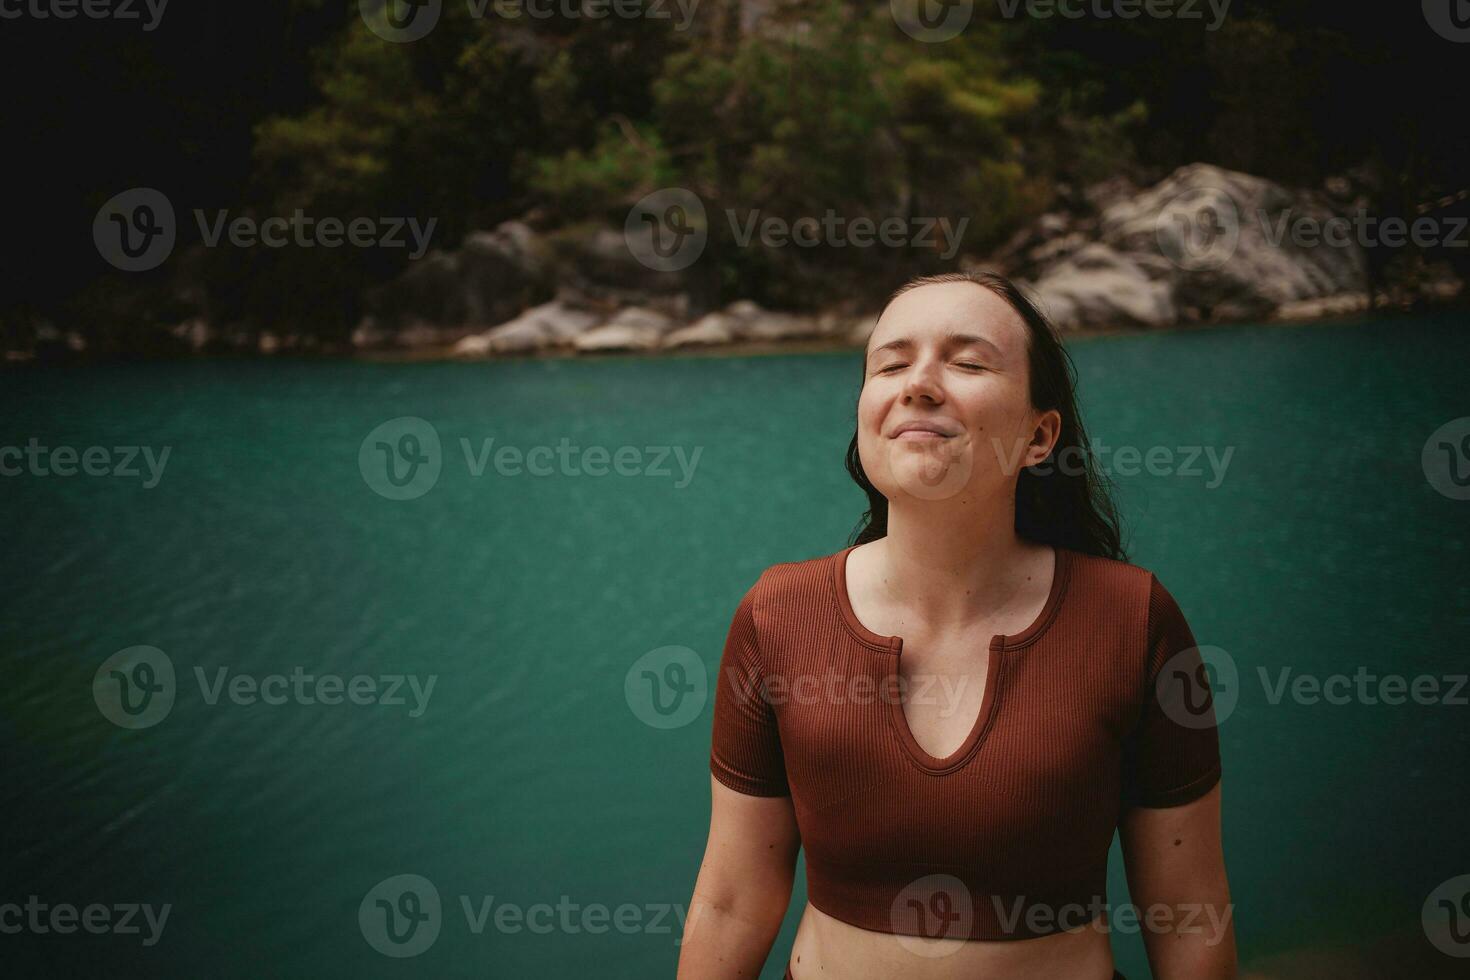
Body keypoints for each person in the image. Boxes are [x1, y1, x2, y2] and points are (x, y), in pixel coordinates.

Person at [677, 272, 1236, 979]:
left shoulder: (1132, 620)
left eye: (967, 362)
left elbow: (1188, 913)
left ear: (1040, 435)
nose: (918, 383)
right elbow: (732, 901)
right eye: (891, 363)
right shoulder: (777, 614)